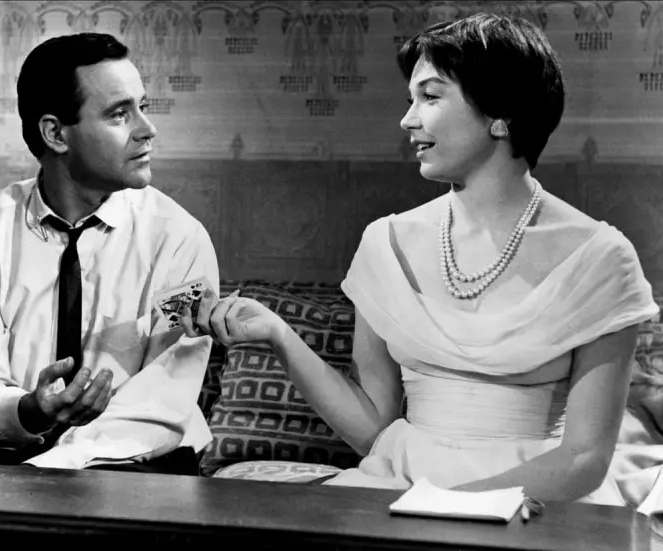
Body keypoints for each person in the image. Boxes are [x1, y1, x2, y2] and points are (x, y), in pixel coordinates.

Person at [181, 13, 659, 504]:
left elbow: (583, 460)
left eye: (430, 97)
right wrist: (278, 335)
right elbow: (373, 429)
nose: (408, 120)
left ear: (500, 112)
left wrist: (446, 507)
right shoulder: (386, 243)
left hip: (536, 500)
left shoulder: (601, 258)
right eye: (411, 99)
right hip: (402, 488)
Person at [0, 32, 219, 475]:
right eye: (120, 114)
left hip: (137, 462)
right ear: (56, 133)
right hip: (15, 456)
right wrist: (29, 411)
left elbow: (160, 401)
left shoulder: (179, 241)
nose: (147, 129)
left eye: (143, 107)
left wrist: (53, 467)